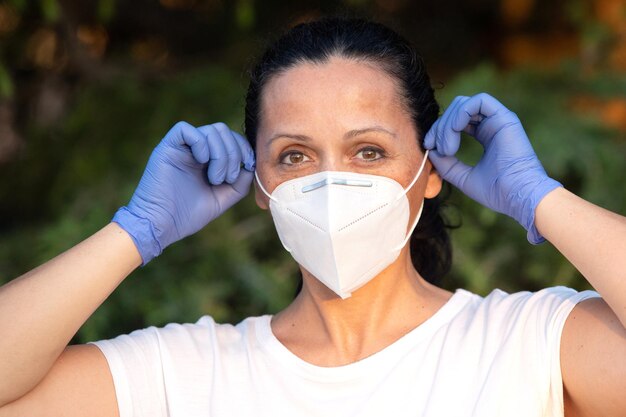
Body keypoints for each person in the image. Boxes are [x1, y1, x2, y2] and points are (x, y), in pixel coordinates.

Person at [0, 17, 624, 417]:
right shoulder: (182, 372)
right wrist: (134, 232)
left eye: (369, 151)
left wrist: (541, 198)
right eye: (294, 155)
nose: (332, 181)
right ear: (262, 187)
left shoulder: (527, 343)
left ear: (429, 170)